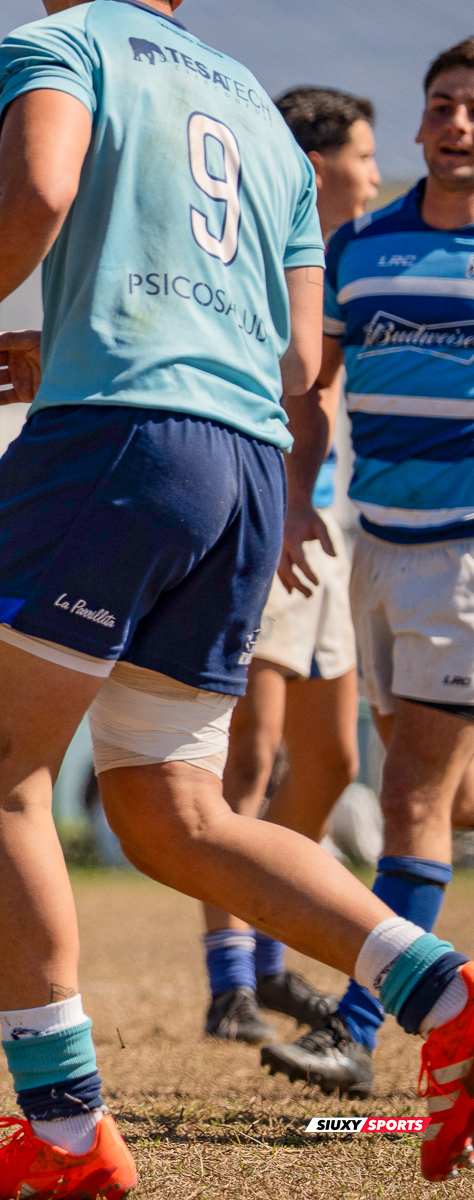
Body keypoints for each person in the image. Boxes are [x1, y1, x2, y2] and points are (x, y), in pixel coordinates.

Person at [0, 4, 474, 1194]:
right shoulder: (260, 108)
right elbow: (302, 361)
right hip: (248, 465)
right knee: (168, 809)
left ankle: (64, 1135)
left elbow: (38, 191)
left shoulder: (62, 42)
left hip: (116, 445)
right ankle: (447, 993)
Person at [262, 41, 474, 1100]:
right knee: (439, 801)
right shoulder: (362, 248)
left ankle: (361, 1034)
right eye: (442, 106)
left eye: (473, 109)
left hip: (464, 559)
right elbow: (312, 391)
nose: (456, 124)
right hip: (373, 548)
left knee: (410, 802)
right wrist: (299, 500)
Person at [197, 85, 380, 1047]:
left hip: (327, 523)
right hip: (270, 512)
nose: (378, 171)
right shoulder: (259, 251)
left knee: (336, 761)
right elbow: (289, 393)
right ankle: (230, 983)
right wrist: (287, 503)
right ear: (314, 167)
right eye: (364, 153)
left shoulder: (350, 256)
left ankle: (268, 954)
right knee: (249, 758)